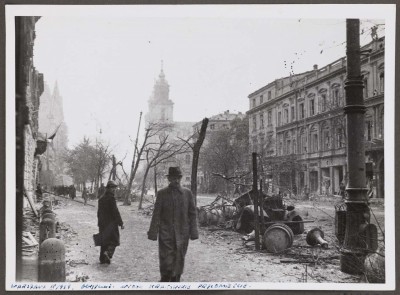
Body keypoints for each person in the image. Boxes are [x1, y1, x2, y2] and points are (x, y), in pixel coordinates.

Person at [147, 167, 198, 282]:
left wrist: (194, 232)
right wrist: (153, 232)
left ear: (180, 178)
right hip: (166, 234)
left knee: (179, 258)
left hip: (182, 233)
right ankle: (164, 280)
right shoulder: (162, 194)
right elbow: (156, 214)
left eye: (178, 178)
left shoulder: (187, 193)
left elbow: (192, 214)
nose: (176, 180)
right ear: (169, 179)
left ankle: (176, 281)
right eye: (173, 178)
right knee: (166, 260)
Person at [97, 180, 124, 264]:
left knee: (104, 241)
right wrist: (121, 223)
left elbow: (98, 213)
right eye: (112, 188)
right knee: (115, 240)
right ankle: (108, 253)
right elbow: (115, 211)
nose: (114, 190)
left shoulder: (101, 199)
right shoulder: (111, 198)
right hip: (111, 223)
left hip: (102, 224)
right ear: (108, 188)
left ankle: (102, 259)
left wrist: (99, 222)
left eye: (114, 188)